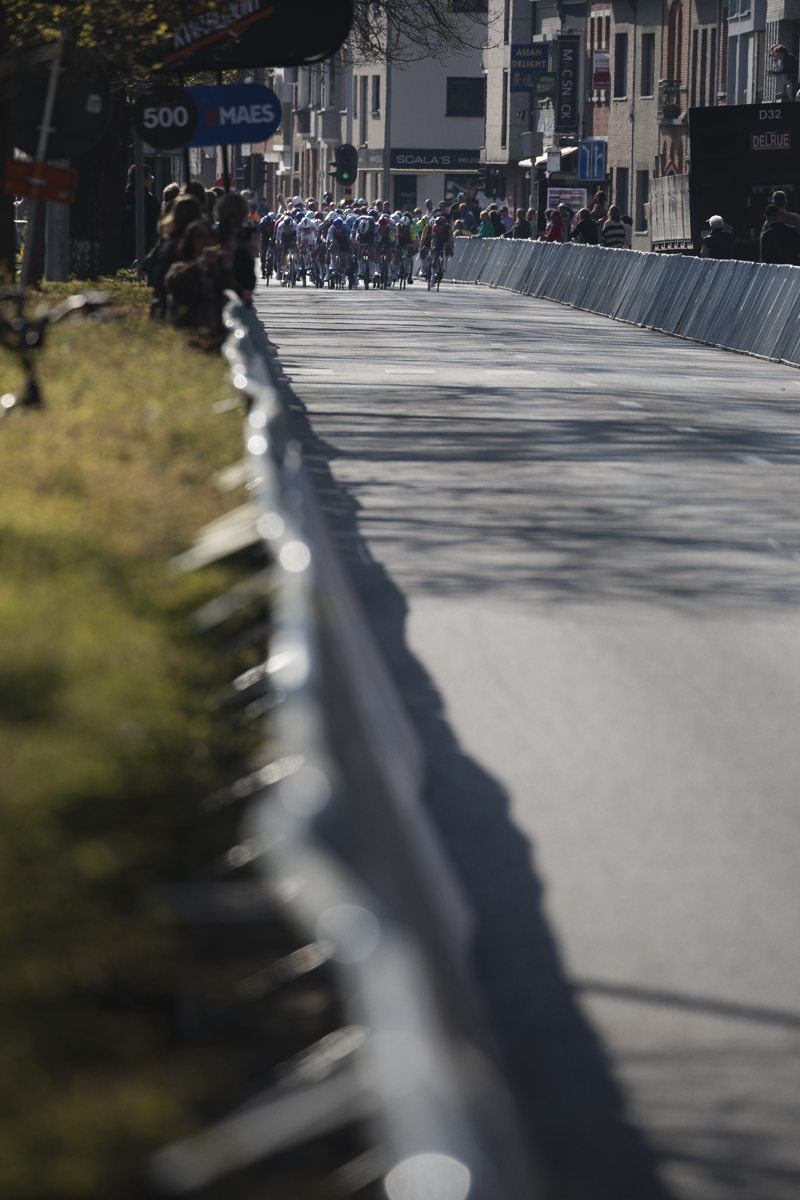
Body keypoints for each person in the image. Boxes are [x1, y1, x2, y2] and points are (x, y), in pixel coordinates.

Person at [165, 220, 235, 340]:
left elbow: (228, 291)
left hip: (214, 337)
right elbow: (173, 284)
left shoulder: (216, 271)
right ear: (190, 241)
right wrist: (202, 262)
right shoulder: (179, 267)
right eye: (201, 236)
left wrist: (228, 261)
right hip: (187, 336)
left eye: (210, 236)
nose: (207, 240)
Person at [150, 194, 203, 317]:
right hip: (194, 310)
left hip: (171, 308)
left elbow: (159, 281)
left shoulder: (168, 246)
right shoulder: (199, 245)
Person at [120, 163, 160, 268]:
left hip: (121, 252)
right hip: (143, 253)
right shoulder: (151, 202)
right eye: (150, 178)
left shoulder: (121, 198)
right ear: (143, 180)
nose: (151, 181)